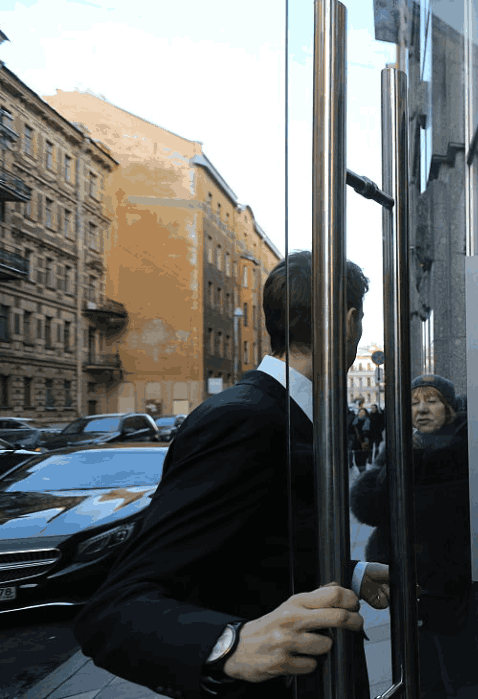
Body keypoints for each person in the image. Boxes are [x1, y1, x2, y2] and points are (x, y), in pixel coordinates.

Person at [73, 252, 389, 699]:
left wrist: (350, 573)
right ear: (349, 322)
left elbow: (255, 549)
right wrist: (229, 645)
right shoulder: (244, 418)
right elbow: (115, 609)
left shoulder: (287, 409)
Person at [350, 374, 478, 698]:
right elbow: (367, 506)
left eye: (431, 400)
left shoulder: (466, 447)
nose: (422, 409)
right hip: (407, 584)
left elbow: (449, 507)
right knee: (418, 669)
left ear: (449, 407)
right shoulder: (405, 446)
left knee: (458, 670)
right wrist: (398, 465)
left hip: (455, 587)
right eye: (414, 403)